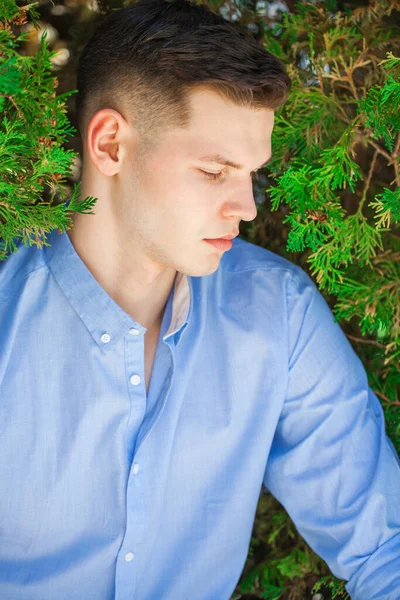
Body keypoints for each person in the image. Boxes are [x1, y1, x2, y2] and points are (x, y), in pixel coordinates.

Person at [0, 0, 399, 598]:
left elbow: (384, 548)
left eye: (251, 174)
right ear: (110, 145)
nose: (248, 207)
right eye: (215, 172)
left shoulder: (278, 313)